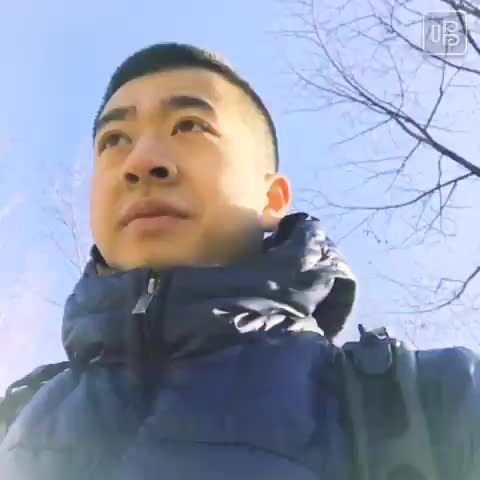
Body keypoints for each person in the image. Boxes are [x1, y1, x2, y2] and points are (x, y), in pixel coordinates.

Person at [0, 43, 478, 480]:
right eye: (114, 140)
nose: (140, 161)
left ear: (273, 199)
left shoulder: (440, 404)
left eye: (189, 126)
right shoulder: (14, 424)